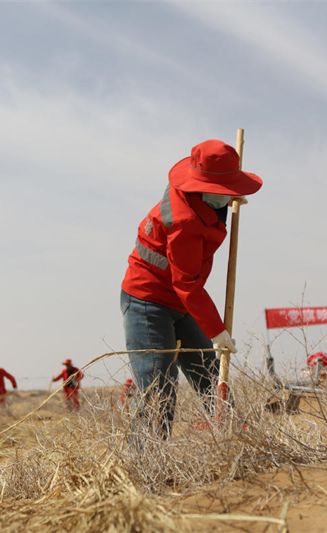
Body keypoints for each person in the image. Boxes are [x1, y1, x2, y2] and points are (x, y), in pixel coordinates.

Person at [119, 139, 262, 437]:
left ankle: (236, 441)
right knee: (158, 389)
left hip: (181, 302)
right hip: (149, 302)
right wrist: (216, 331)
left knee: (210, 374)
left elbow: (208, 210)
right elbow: (186, 283)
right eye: (223, 191)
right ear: (201, 188)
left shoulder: (196, 194)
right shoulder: (182, 223)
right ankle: (147, 468)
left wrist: (226, 200)